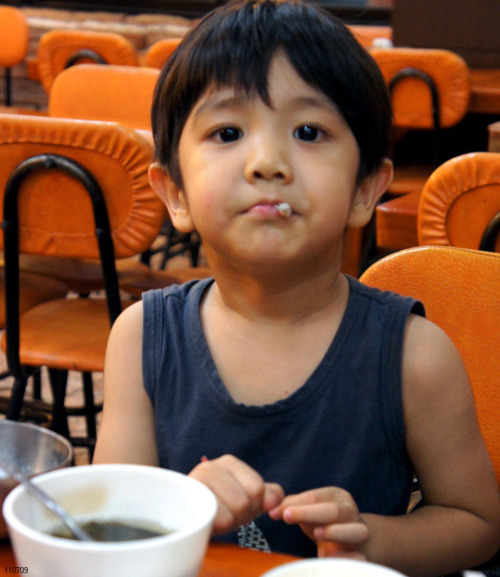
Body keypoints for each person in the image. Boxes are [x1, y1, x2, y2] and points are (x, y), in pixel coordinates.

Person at [93, 0, 500, 574]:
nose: (267, 161)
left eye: (309, 131)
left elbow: (476, 525)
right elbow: (112, 530)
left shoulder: (414, 355)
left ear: (366, 189)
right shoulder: (140, 338)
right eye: (227, 131)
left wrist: (370, 541)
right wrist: (180, 509)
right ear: (175, 194)